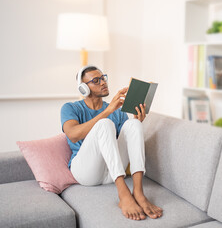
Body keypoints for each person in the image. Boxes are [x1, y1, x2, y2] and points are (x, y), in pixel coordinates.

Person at [60, 65, 163, 221]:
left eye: (103, 78)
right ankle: (123, 194)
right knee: (104, 124)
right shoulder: (70, 108)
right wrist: (106, 113)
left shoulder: (116, 111)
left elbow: (126, 140)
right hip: (86, 173)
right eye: (96, 80)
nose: (103, 82)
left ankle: (139, 192)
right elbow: (73, 135)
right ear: (83, 89)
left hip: (112, 171)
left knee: (133, 125)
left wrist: (137, 122)